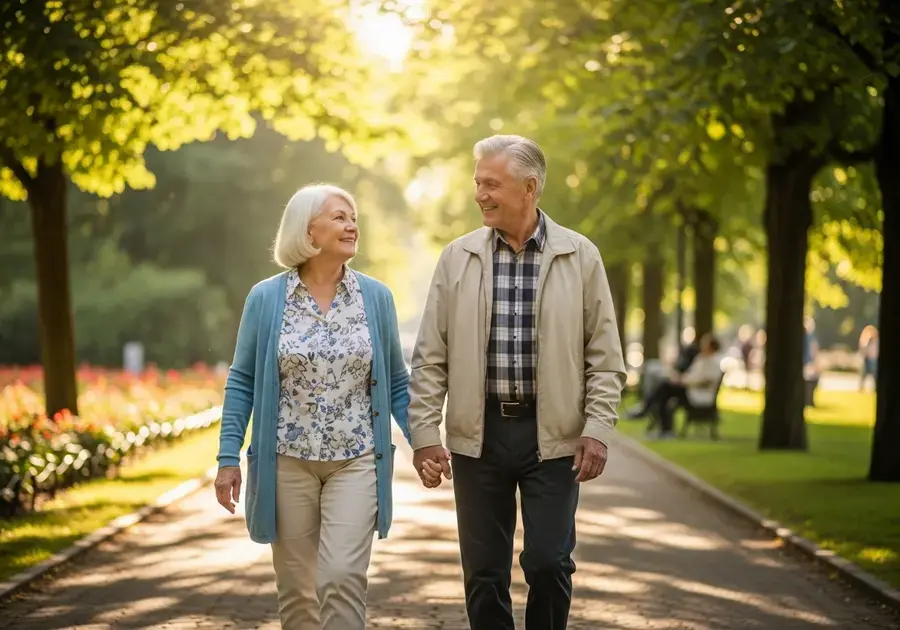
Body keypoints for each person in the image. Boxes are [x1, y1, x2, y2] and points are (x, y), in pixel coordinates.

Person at [409, 134, 626, 630]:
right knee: (484, 573)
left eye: (491, 184)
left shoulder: (580, 255)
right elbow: (430, 357)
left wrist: (597, 429)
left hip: (553, 437)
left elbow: (605, 356)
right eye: (477, 183)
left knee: (549, 563)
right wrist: (424, 435)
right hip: (478, 436)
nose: (480, 195)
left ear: (530, 187)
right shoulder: (457, 257)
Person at [213, 184, 416, 630]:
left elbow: (398, 382)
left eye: (353, 217)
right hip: (286, 462)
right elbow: (242, 380)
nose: (352, 225)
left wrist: (424, 442)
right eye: (340, 217)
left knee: (341, 577)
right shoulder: (266, 298)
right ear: (308, 230)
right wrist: (228, 458)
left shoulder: (375, 297)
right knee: (298, 592)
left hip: (357, 460)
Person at [644, 333, 723, 438]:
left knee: (665, 388)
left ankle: (649, 409)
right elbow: (691, 374)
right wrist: (680, 379)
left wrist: (685, 382)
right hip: (689, 389)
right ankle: (658, 419)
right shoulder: (701, 359)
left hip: (698, 395)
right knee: (665, 389)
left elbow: (706, 382)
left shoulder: (714, 362)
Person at [858, 325, 879, 391]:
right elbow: (862, 349)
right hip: (866, 359)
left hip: (873, 359)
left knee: (874, 374)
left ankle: (875, 387)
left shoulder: (876, 341)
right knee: (864, 374)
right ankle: (861, 387)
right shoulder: (866, 340)